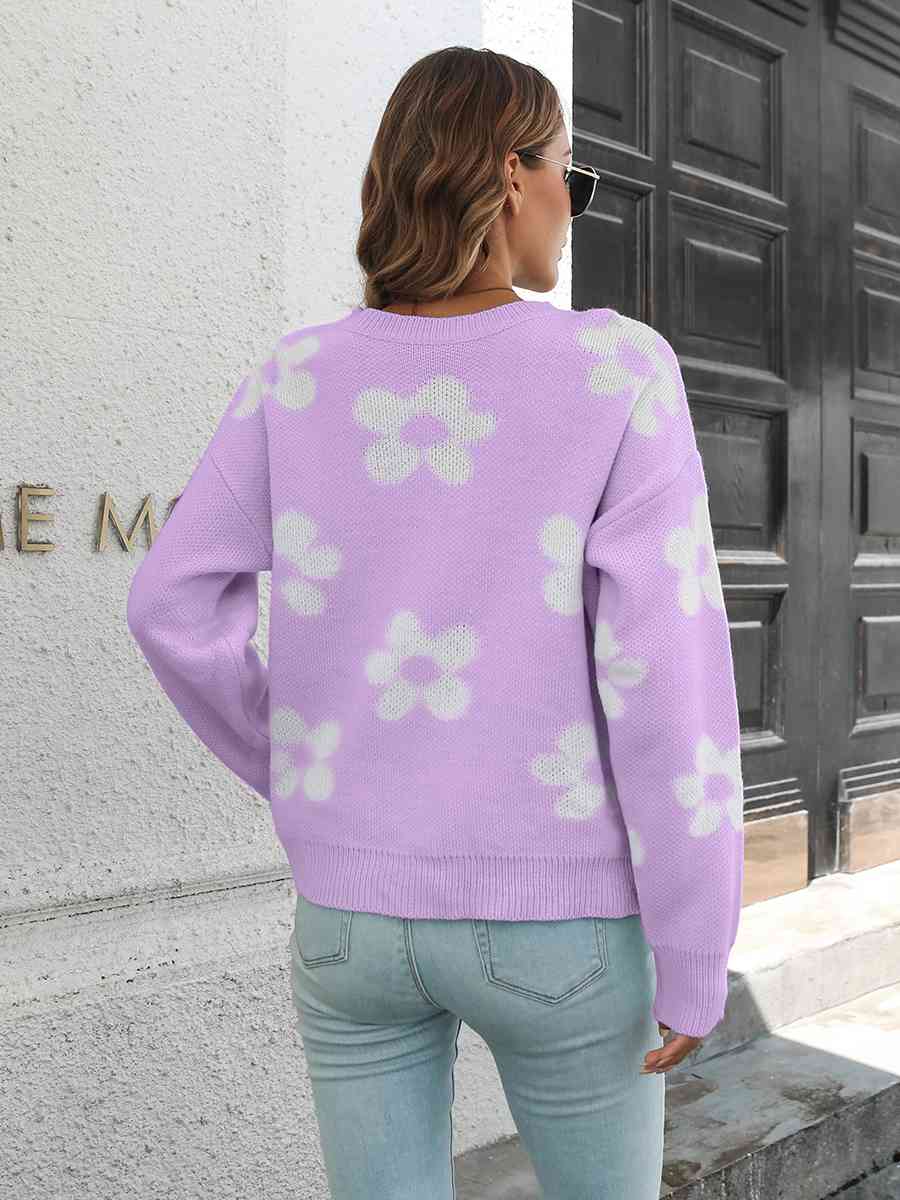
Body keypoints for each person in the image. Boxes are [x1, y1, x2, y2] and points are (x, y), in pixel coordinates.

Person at [126, 44, 744, 1200]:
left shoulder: (298, 378)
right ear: (512, 176)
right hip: (559, 919)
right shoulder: (616, 370)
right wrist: (696, 941)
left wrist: (303, 767)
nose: (572, 203)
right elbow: (667, 679)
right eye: (570, 174)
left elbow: (169, 603)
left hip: (350, 923)